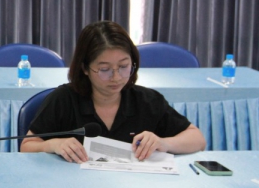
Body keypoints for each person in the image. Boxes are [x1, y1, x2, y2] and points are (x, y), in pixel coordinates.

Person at [20, 21, 206, 162]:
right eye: (104, 69)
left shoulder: (147, 100)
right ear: (85, 68)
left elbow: (197, 139)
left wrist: (164, 143)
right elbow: (26, 146)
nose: (116, 77)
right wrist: (52, 144)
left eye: (124, 67)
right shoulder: (63, 100)